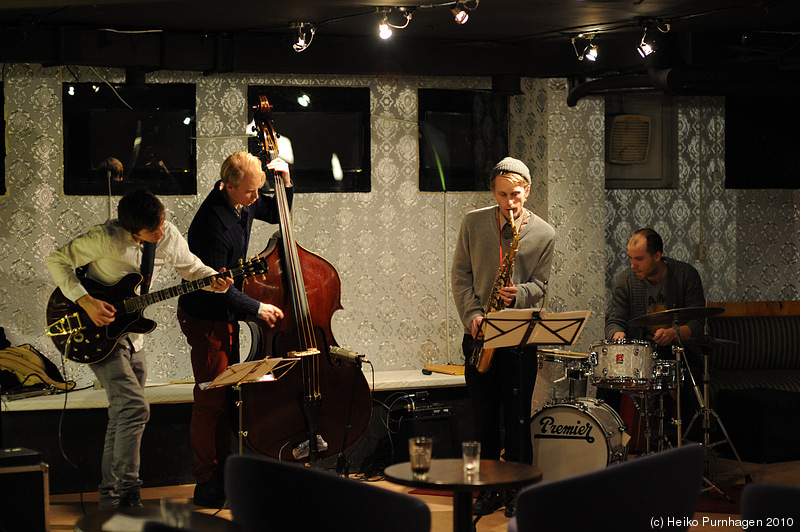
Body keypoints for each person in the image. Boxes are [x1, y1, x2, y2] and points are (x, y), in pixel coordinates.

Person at [45, 188, 233, 510]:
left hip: (132, 334)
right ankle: (130, 492)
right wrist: (86, 301)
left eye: (162, 223)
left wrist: (212, 278)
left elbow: (191, 267)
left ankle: (110, 496)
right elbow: (56, 259)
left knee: (122, 415)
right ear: (133, 232)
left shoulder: (167, 234)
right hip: (94, 331)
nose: (161, 232)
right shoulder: (105, 239)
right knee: (135, 409)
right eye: (153, 230)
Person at [177, 151, 291, 508]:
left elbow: (278, 213)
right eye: (251, 192)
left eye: (260, 190)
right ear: (228, 186)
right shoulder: (212, 225)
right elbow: (218, 290)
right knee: (210, 399)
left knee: (226, 397)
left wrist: (286, 182)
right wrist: (256, 307)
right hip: (206, 316)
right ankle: (205, 481)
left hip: (224, 315)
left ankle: (224, 471)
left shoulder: (244, 198)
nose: (258, 198)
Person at [451, 157, 555, 518]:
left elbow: (540, 286)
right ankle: (489, 490)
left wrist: (521, 293)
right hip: (480, 333)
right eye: (501, 195)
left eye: (516, 195)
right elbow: (461, 275)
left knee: (518, 419)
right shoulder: (473, 222)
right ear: (492, 192)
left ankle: (519, 490)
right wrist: (473, 315)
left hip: (520, 339)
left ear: (528, 190)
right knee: (483, 420)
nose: (509, 203)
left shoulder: (543, 233)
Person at [603, 228, 706, 436]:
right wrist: (617, 335)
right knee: (606, 382)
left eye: (639, 259)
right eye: (630, 258)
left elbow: (698, 324)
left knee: (692, 384)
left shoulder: (685, 275)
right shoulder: (626, 280)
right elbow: (614, 321)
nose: (633, 265)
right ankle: (611, 443)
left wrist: (674, 334)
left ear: (657, 256)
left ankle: (690, 448)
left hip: (678, 351)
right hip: (640, 352)